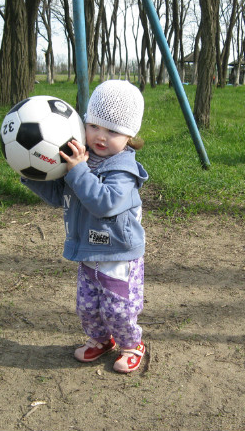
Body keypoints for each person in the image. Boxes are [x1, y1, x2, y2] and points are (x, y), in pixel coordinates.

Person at [21, 80, 149, 373]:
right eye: (94, 126)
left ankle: (132, 344)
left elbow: (104, 202)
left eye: (113, 131)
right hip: (88, 252)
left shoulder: (123, 170)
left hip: (118, 255)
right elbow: (60, 196)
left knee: (118, 309)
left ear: (130, 136)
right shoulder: (82, 160)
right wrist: (32, 172)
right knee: (87, 307)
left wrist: (78, 170)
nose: (101, 137)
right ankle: (101, 340)